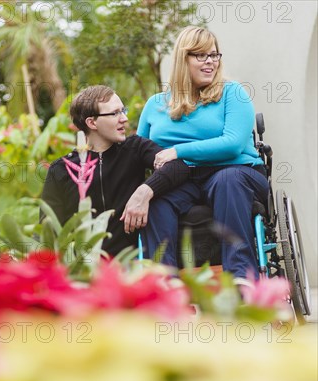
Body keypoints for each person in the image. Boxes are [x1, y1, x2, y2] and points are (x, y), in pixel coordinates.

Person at [131, 25, 269, 281]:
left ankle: (241, 279)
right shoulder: (155, 104)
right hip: (180, 179)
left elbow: (232, 144)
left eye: (214, 55)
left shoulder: (232, 93)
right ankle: (163, 284)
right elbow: (139, 153)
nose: (210, 62)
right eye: (201, 56)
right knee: (156, 200)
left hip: (236, 173)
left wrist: (177, 151)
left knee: (227, 181)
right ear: (183, 59)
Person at [41, 85, 190, 258]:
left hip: (129, 269)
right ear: (92, 122)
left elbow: (178, 167)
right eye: (115, 113)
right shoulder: (61, 169)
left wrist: (145, 191)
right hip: (81, 271)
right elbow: (48, 231)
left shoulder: (135, 148)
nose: (124, 119)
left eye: (123, 111)